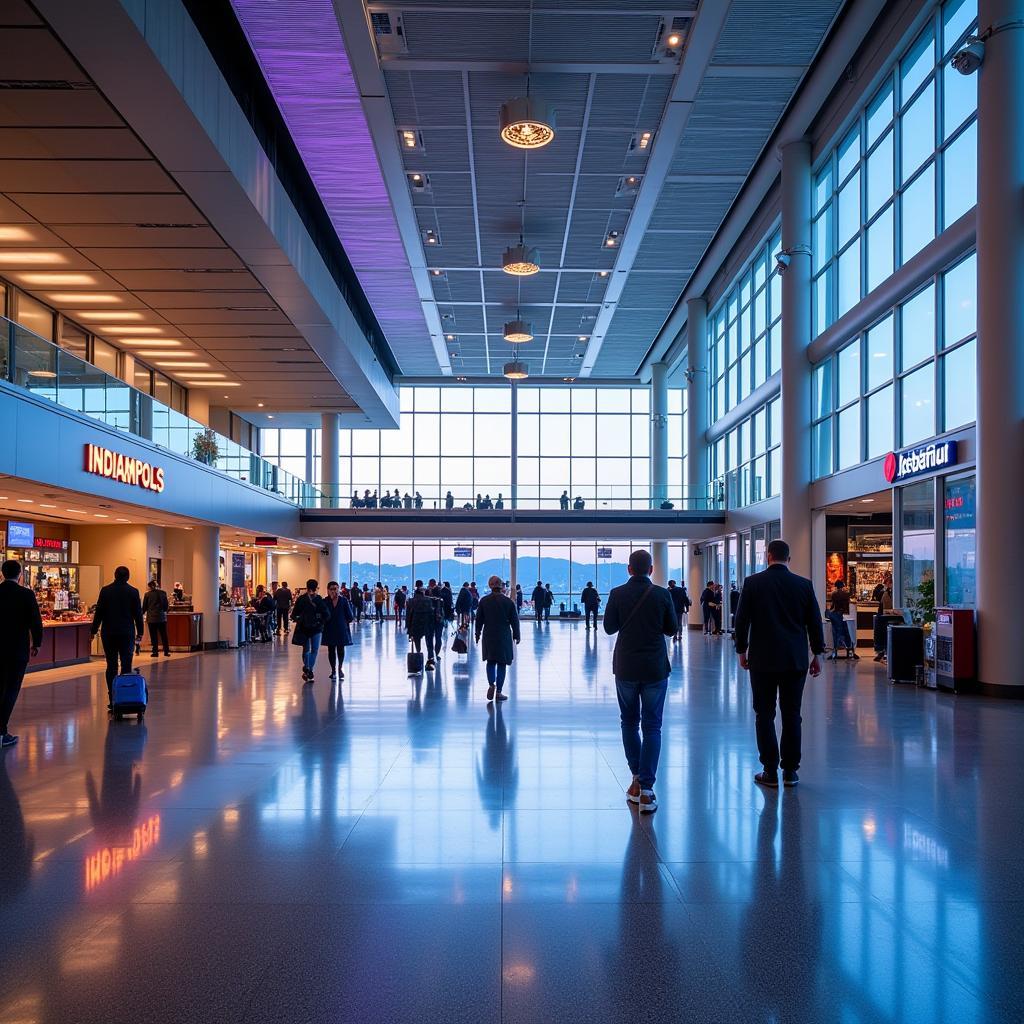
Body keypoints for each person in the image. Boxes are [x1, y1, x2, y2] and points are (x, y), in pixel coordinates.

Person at [733, 539, 825, 789]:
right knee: (792, 714)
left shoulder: (753, 583)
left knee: (764, 714)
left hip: (762, 659)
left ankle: (770, 770)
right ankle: (791, 771)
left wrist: (742, 650)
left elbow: (741, 621)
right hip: (795, 660)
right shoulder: (804, 585)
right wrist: (817, 653)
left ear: (768, 556)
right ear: (789, 558)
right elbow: (814, 622)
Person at [603, 549, 678, 814]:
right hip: (655, 668)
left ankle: (636, 777)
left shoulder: (617, 594)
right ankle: (646, 789)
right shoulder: (662, 594)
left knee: (629, 722)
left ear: (628, 569)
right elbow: (671, 629)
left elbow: (609, 628)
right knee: (653, 726)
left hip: (626, 667)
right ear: (651, 569)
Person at [0, 560, 43, 748]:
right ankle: (1, 731)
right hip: (18, 649)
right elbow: (35, 620)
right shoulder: (26, 594)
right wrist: (37, 643)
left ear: (2, 573)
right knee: (11, 689)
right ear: (20, 575)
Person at [91, 566, 144, 708]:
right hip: (127, 633)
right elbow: (138, 614)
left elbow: (99, 613)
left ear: (115, 575)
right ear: (128, 577)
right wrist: (140, 632)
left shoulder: (105, 591)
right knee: (126, 665)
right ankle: (124, 698)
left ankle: (112, 698)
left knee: (111, 665)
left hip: (109, 632)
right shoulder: (133, 592)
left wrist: (93, 630)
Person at [475, 575, 520, 702]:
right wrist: (517, 635)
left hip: (489, 634)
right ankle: (499, 692)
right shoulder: (508, 602)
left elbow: (479, 620)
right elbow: (514, 621)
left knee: (490, 661)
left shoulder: (484, 601)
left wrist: (477, 633)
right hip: (503, 634)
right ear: (501, 586)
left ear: (490, 586)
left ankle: (491, 684)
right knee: (502, 663)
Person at [291, 579, 330, 683]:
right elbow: (326, 614)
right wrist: (320, 622)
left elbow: (293, 614)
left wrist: (300, 620)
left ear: (306, 587)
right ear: (316, 587)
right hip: (316, 629)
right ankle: (309, 670)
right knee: (314, 650)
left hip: (303, 628)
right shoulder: (319, 599)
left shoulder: (301, 599)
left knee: (306, 650)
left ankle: (307, 669)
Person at [322, 581, 354, 680]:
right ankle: (333, 670)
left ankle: (340, 668)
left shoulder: (344, 601)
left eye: (335, 589)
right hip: (330, 629)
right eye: (331, 589)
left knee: (340, 649)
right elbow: (322, 615)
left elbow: (350, 616)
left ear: (338, 589)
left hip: (341, 629)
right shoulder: (325, 601)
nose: (333, 591)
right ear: (328, 590)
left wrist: (344, 622)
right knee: (331, 650)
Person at [406, 584, 436, 669]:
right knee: (429, 642)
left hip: (415, 625)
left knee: (417, 641)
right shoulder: (428, 600)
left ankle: (418, 655)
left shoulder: (411, 601)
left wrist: (408, 628)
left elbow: (408, 616)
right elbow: (431, 613)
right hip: (427, 624)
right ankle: (430, 658)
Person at [827, 579, 858, 660]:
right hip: (845, 615)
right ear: (843, 586)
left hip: (836, 615)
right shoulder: (847, 594)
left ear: (836, 586)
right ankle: (850, 649)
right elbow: (848, 604)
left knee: (836, 632)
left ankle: (835, 650)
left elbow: (833, 606)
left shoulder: (834, 594)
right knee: (847, 632)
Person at [142, 579, 170, 656]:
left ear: (150, 586)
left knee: (153, 635)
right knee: (164, 634)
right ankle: (166, 651)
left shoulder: (147, 595)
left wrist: (142, 613)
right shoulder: (163, 593)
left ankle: (155, 652)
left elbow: (144, 607)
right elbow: (166, 606)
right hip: (161, 618)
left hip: (151, 618)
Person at [871, 571, 894, 662]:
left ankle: (882, 651)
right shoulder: (886, 591)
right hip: (884, 615)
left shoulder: (890, 592)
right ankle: (882, 651)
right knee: (881, 634)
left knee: (882, 634)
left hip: (886, 616)